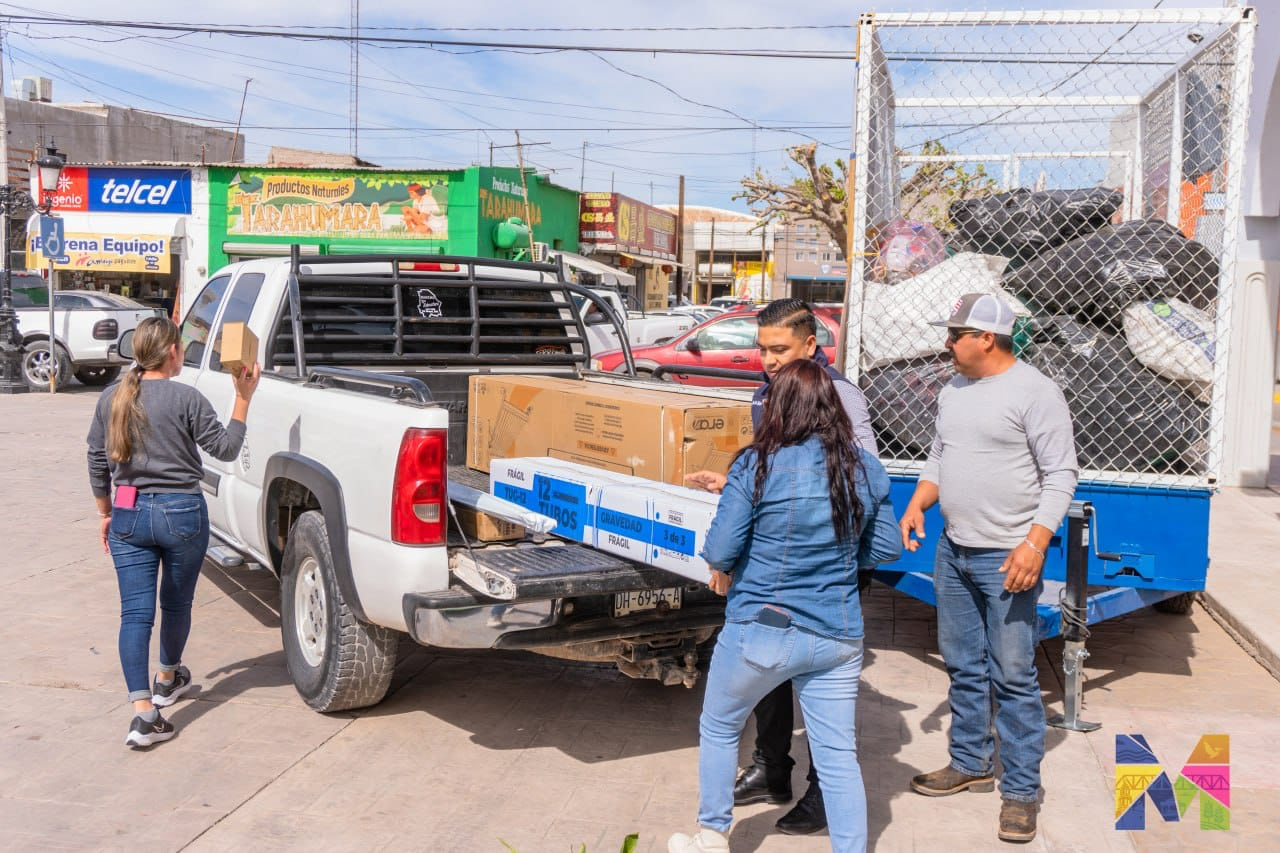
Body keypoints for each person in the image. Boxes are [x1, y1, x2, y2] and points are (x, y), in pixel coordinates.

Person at [668, 359, 901, 853]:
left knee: (720, 725)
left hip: (762, 626)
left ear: (779, 407)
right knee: (839, 755)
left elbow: (721, 549)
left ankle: (711, 834)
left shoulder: (758, 462)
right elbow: (883, 550)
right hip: (837, 633)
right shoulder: (866, 467)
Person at [899, 293, 1078, 844]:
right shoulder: (955, 390)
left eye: (956, 334)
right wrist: (918, 502)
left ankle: (1021, 793)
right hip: (953, 551)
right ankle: (970, 762)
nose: (947, 343)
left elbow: (1062, 474)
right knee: (961, 665)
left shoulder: (1035, 392)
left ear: (986, 338)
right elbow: (939, 455)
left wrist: (1035, 543)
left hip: (1007, 558)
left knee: (1014, 676)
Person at [87, 317, 260, 748]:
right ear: (171, 354)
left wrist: (105, 512)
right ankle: (167, 676)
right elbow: (225, 448)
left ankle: (144, 714)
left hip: (127, 510)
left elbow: (95, 459)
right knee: (176, 603)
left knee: (135, 614)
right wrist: (243, 398)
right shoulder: (186, 398)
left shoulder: (112, 397)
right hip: (182, 511)